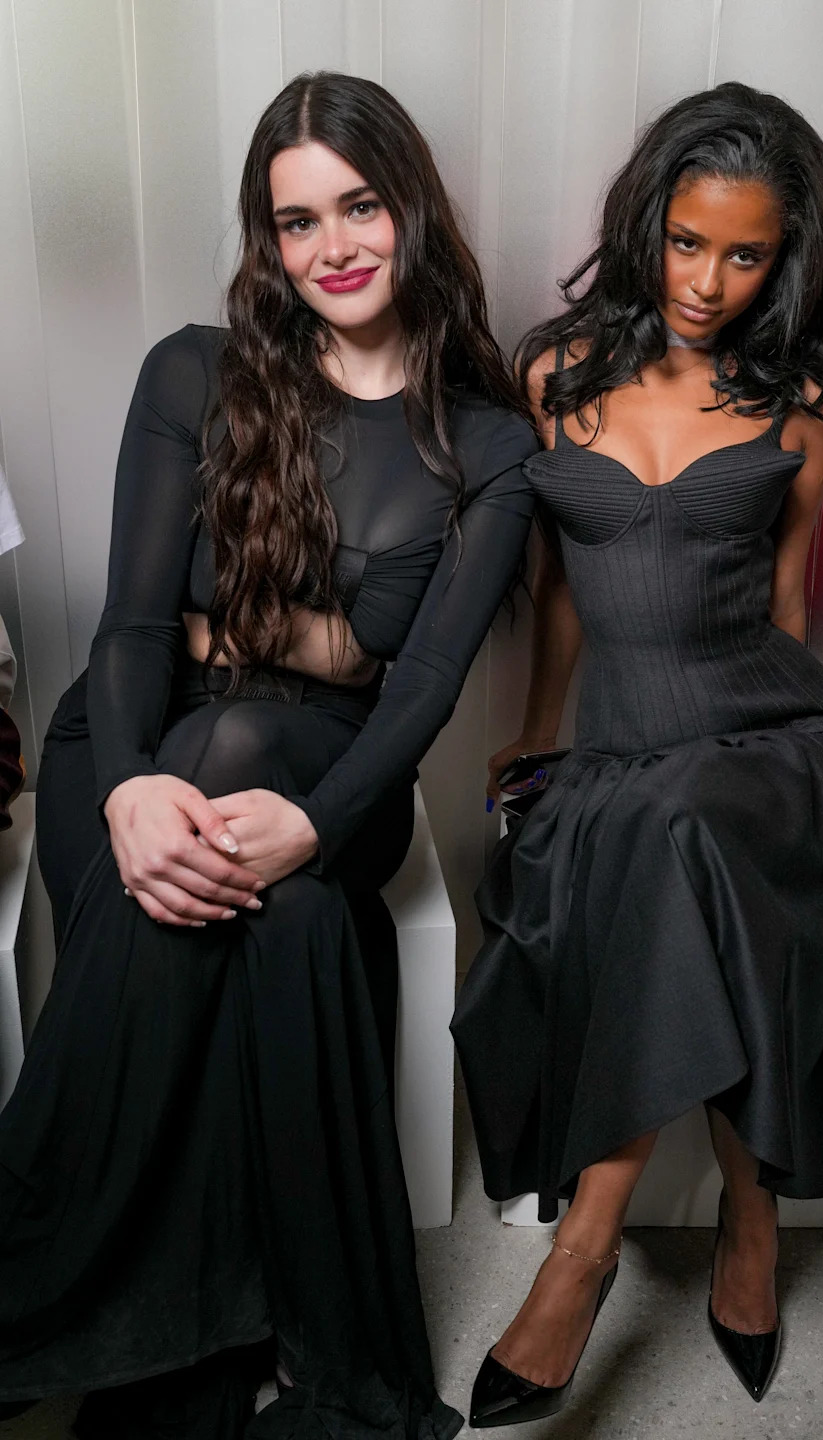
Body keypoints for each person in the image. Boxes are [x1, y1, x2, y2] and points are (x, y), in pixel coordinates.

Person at [0, 71, 536, 1439]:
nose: (334, 245)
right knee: (264, 909)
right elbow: (132, 626)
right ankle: (241, 1346)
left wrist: (314, 816)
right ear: (268, 242)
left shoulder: (485, 446)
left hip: (338, 780)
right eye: (297, 222)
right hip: (124, 748)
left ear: (412, 207)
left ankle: (37, 1301)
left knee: (249, 800)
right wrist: (124, 786)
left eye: (360, 205)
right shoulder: (195, 371)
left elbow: (414, 689)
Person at [452, 80, 823, 1425]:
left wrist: (752, 743)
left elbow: (791, 607)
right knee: (664, 830)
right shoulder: (552, 371)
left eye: (747, 252)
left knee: (690, 823)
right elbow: (554, 593)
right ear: (649, 221)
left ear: (789, 255)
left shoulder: (808, 396)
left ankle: (586, 1255)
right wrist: (539, 728)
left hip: (777, 737)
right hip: (629, 739)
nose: (708, 281)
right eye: (688, 240)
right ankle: (750, 1210)